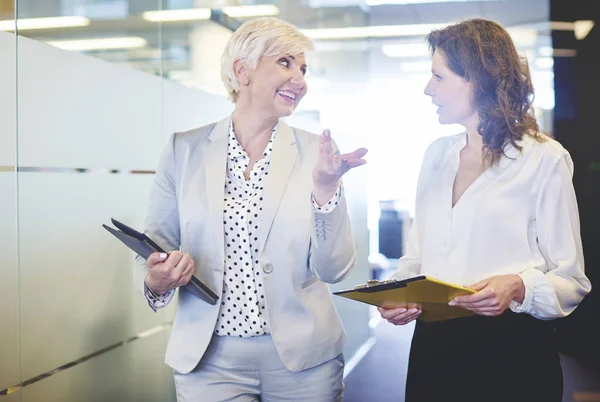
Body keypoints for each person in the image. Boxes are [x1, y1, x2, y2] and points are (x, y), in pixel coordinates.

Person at [134, 17, 368, 401]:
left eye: (303, 68)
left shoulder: (316, 153)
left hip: (304, 360)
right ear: (242, 71)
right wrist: (157, 280)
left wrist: (326, 191)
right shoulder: (184, 149)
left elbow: (334, 269)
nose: (300, 79)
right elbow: (154, 245)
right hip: (209, 361)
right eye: (285, 63)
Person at [378, 18, 591, 402]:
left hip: (511, 351)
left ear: (476, 78)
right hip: (433, 347)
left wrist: (520, 285)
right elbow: (416, 257)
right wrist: (401, 291)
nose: (428, 89)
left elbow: (571, 279)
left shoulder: (544, 158)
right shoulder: (436, 156)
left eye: (438, 78)